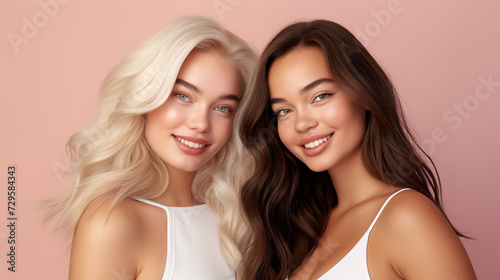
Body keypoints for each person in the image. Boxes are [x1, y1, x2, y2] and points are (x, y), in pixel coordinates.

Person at [239, 20, 477, 280]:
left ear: (363, 93)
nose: (302, 123)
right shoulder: (301, 224)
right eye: (284, 110)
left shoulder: (408, 218)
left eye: (320, 96)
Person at [42, 15, 256, 279]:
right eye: (182, 96)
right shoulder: (111, 222)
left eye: (222, 108)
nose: (200, 123)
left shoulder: (236, 218)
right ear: (147, 98)